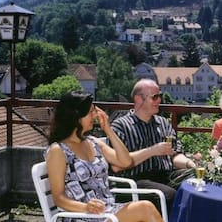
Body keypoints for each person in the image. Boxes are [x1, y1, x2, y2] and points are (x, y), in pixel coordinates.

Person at [45, 91, 163, 222]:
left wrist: (108, 129)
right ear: (77, 116)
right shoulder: (58, 150)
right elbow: (58, 198)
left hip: (107, 211)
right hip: (82, 216)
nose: (95, 115)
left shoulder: (93, 142)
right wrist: (86, 207)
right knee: (145, 208)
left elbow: (125, 162)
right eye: (90, 112)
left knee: (146, 208)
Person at [110, 79, 196, 211]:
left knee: (196, 183)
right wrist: (152, 151)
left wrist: (191, 164)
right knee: (168, 195)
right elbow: (117, 166)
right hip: (135, 179)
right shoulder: (120, 126)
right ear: (138, 99)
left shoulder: (163, 123)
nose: (159, 101)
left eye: (160, 96)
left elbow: (175, 155)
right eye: (155, 97)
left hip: (165, 175)